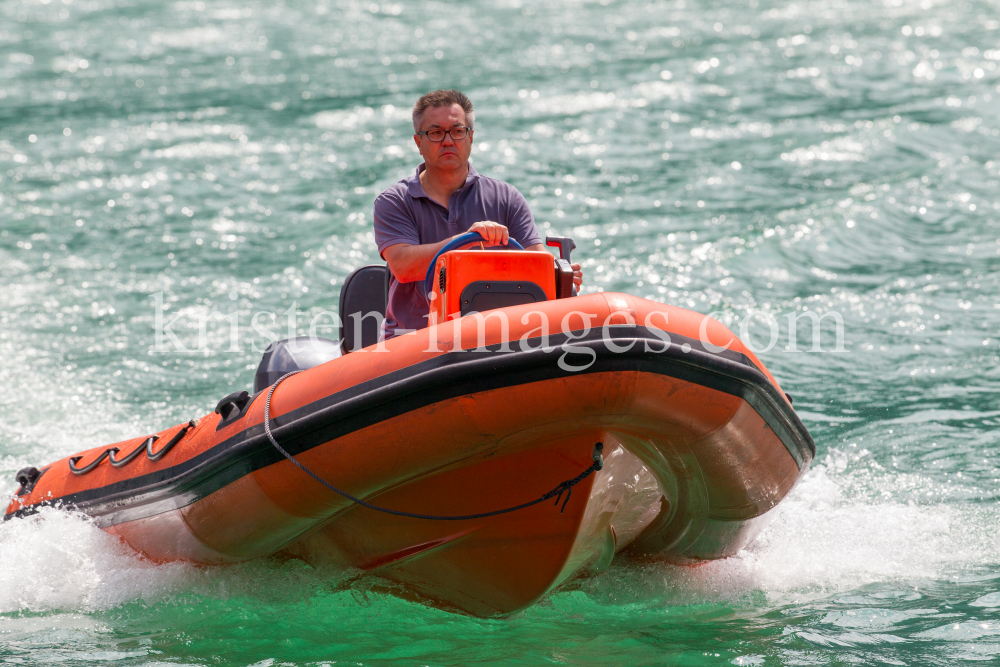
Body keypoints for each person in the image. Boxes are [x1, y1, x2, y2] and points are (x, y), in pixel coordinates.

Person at [373, 89, 582, 338]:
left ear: (470, 137)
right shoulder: (394, 201)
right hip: (414, 339)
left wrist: (561, 274)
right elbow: (404, 267)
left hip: (499, 336)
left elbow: (538, 264)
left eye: (457, 131)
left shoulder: (506, 197)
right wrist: (467, 239)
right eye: (436, 132)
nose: (448, 141)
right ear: (419, 142)